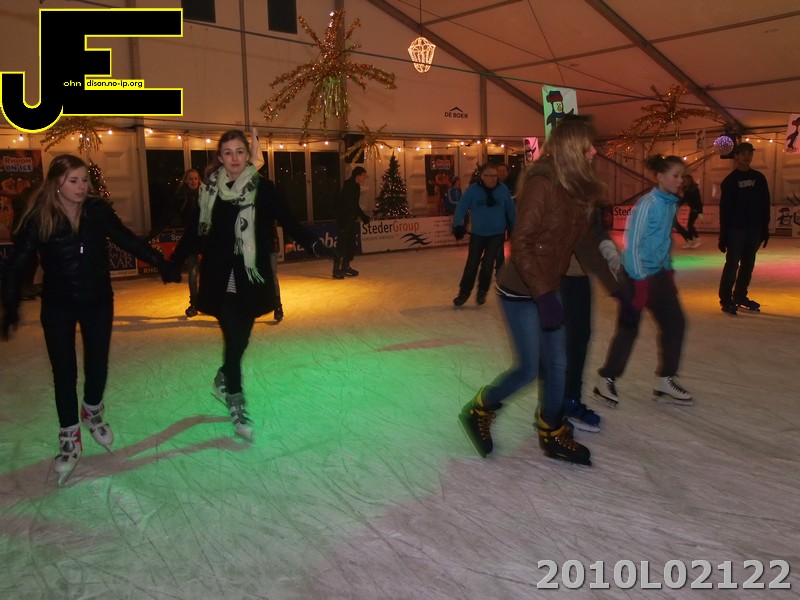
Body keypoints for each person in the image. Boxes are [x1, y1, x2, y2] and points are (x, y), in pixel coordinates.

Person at [0, 154, 179, 485]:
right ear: (57, 183)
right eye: (74, 181)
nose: (82, 187)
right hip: (58, 304)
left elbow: (125, 239)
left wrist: (160, 262)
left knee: (98, 364)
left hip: (97, 301)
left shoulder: (97, 211)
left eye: (84, 180)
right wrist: (10, 304)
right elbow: (18, 263)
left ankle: (92, 411)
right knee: (64, 372)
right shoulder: (39, 217)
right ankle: (69, 438)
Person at [458, 116, 623, 467]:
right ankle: (480, 408)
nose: (594, 152)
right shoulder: (542, 184)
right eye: (588, 146)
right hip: (521, 291)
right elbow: (521, 243)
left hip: (549, 287)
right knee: (528, 369)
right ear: (571, 148)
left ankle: (552, 431)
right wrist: (544, 295)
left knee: (558, 364)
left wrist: (616, 288)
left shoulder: (575, 188)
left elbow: (584, 245)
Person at [168, 130, 337, 440]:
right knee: (233, 336)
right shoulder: (209, 191)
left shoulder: (264, 189)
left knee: (240, 339)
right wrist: (172, 262)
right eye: (228, 153)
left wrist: (315, 245)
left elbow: (290, 221)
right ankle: (235, 399)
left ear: (248, 155)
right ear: (220, 158)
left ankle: (223, 376)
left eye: (239, 152)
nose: (234, 158)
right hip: (219, 276)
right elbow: (193, 232)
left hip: (250, 275)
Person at [594, 155, 693, 409]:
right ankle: (606, 379)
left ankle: (665, 379)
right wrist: (639, 282)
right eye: (675, 175)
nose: (680, 180)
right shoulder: (646, 205)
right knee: (629, 329)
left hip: (658, 275)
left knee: (675, 324)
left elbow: (663, 241)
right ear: (660, 177)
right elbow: (634, 246)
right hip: (634, 276)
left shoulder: (670, 204)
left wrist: (667, 271)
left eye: (682, 176)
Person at [560, 207, 622, 432]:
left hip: (580, 276)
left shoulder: (589, 196)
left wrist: (607, 246)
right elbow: (581, 245)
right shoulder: (560, 194)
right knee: (560, 344)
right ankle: (554, 406)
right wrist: (615, 287)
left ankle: (571, 399)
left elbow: (594, 230)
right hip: (557, 276)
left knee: (580, 339)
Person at [451, 163, 516, 306]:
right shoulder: (473, 191)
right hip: (478, 234)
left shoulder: (502, 190)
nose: (493, 179)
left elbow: (511, 209)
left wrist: (515, 226)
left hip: (497, 234)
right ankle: (464, 293)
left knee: (488, 263)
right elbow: (461, 207)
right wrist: (458, 225)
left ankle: (482, 291)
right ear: (482, 176)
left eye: (495, 176)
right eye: (489, 176)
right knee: (472, 263)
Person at [717, 142, 771, 315]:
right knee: (732, 264)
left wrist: (765, 228)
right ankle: (726, 299)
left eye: (749, 153)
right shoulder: (730, 181)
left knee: (748, 264)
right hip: (736, 230)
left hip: (754, 229)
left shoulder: (759, 178)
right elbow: (725, 209)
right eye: (743, 154)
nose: (746, 157)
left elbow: (765, 203)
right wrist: (723, 234)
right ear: (736, 156)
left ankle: (740, 295)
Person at [333, 166, 371, 279]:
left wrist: (363, 217)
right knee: (341, 245)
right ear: (358, 175)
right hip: (344, 220)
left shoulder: (356, 187)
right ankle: (336, 269)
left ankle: (346, 266)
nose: (364, 178)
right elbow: (343, 204)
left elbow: (355, 205)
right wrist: (345, 218)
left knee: (351, 245)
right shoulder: (348, 186)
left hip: (350, 220)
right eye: (363, 175)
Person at [174, 169, 202, 317]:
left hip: (205, 239)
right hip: (191, 241)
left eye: (195, 178)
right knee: (192, 273)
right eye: (190, 179)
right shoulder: (181, 198)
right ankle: (194, 304)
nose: (193, 181)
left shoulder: (205, 195)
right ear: (185, 180)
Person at [676, 174, 703, 249]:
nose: (684, 181)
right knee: (689, 225)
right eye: (683, 180)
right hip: (692, 208)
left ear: (689, 180)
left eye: (685, 180)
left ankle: (697, 239)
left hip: (696, 209)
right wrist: (678, 204)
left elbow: (698, 201)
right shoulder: (686, 189)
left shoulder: (694, 189)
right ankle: (691, 241)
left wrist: (700, 212)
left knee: (690, 224)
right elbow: (684, 199)